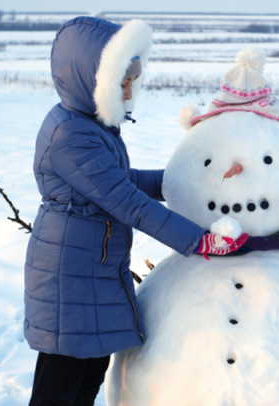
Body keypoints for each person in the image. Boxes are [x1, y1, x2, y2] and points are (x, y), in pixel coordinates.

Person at [25, 16, 247, 405]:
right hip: (70, 272)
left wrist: (191, 179)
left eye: (132, 81)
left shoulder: (90, 124)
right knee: (59, 383)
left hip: (92, 263)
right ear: (91, 80)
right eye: (122, 82)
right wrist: (200, 241)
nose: (129, 91)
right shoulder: (70, 134)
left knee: (89, 373)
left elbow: (121, 180)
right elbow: (126, 201)